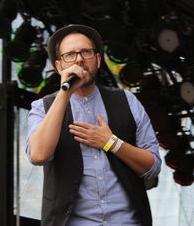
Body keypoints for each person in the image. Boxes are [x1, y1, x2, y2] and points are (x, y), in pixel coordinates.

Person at [26, 24, 161, 226]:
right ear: (59, 66)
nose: (79, 59)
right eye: (69, 55)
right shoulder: (42, 107)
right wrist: (65, 93)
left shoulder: (127, 101)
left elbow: (152, 167)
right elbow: (38, 155)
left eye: (86, 52)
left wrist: (111, 143)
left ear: (97, 60)